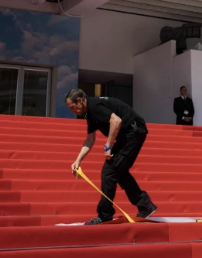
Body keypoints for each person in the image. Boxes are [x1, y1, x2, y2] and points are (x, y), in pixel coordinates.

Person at [66, 89, 156, 224]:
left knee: (109, 171)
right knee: (119, 170)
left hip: (133, 132)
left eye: (72, 107)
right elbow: (90, 139)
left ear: (79, 100)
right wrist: (78, 160)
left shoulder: (94, 107)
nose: (72, 111)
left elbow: (116, 121)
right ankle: (145, 205)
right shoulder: (90, 112)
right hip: (129, 134)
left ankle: (105, 214)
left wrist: (108, 146)